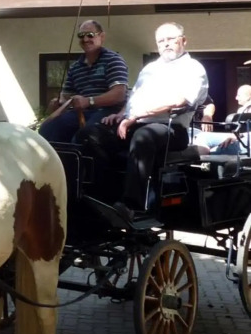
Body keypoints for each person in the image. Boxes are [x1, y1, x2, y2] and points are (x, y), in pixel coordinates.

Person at [79, 21, 208, 221]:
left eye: (171, 39)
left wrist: (135, 117)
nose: (166, 44)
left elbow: (179, 101)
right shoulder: (150, 69)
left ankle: (132, 205)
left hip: (172, 128)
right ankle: (103, 196)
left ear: (183, 41)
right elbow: (134, 98)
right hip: (136, 122)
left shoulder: (192, 68)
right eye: (161, 41)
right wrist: (121, 114)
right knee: (90, 134)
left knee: (143, 137)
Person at [38, 20, 128, 144]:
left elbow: (119, 95)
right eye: (81, 36)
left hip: (109, 112)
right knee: (47, 130)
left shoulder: (113, 60)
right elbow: (66, 97)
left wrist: (88, 101)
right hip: (82, 113)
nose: (85, 39)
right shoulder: (75, 67)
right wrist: (58, 103)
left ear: (101, 37)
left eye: (90, 35)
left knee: (84, 136)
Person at [194, 84, 251, 156]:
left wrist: (238, 136)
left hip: (246, 140)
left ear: (248, 96)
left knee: (211, 147)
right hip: (241, 137)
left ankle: (205, 161)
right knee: (202, 136)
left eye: (239, 95)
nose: (236, 98)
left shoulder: (245, 110)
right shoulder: (242, 109)